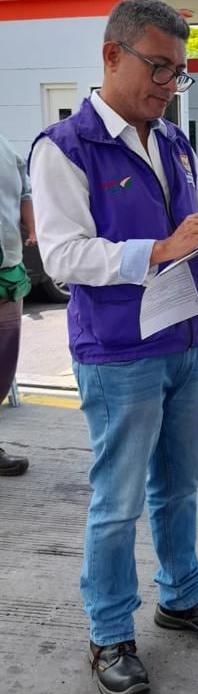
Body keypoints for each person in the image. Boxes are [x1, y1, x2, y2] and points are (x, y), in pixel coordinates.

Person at [29, 0, 198, 694]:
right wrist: (158, 249)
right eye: (159, 67)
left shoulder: (174, 140)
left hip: (183, 337)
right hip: (120, 352)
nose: (168, 83)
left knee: (179, 485)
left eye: (178, 73)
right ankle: (108, 633)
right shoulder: (63, 148)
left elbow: (183, 230)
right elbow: (63, 256)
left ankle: (180, 596)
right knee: (117, 501)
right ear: (111, 55)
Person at [0, 132, 36, 476]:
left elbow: (25, 193)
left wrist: (33, 230)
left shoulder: (7, 148)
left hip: (7, 271)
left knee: (3, 363)